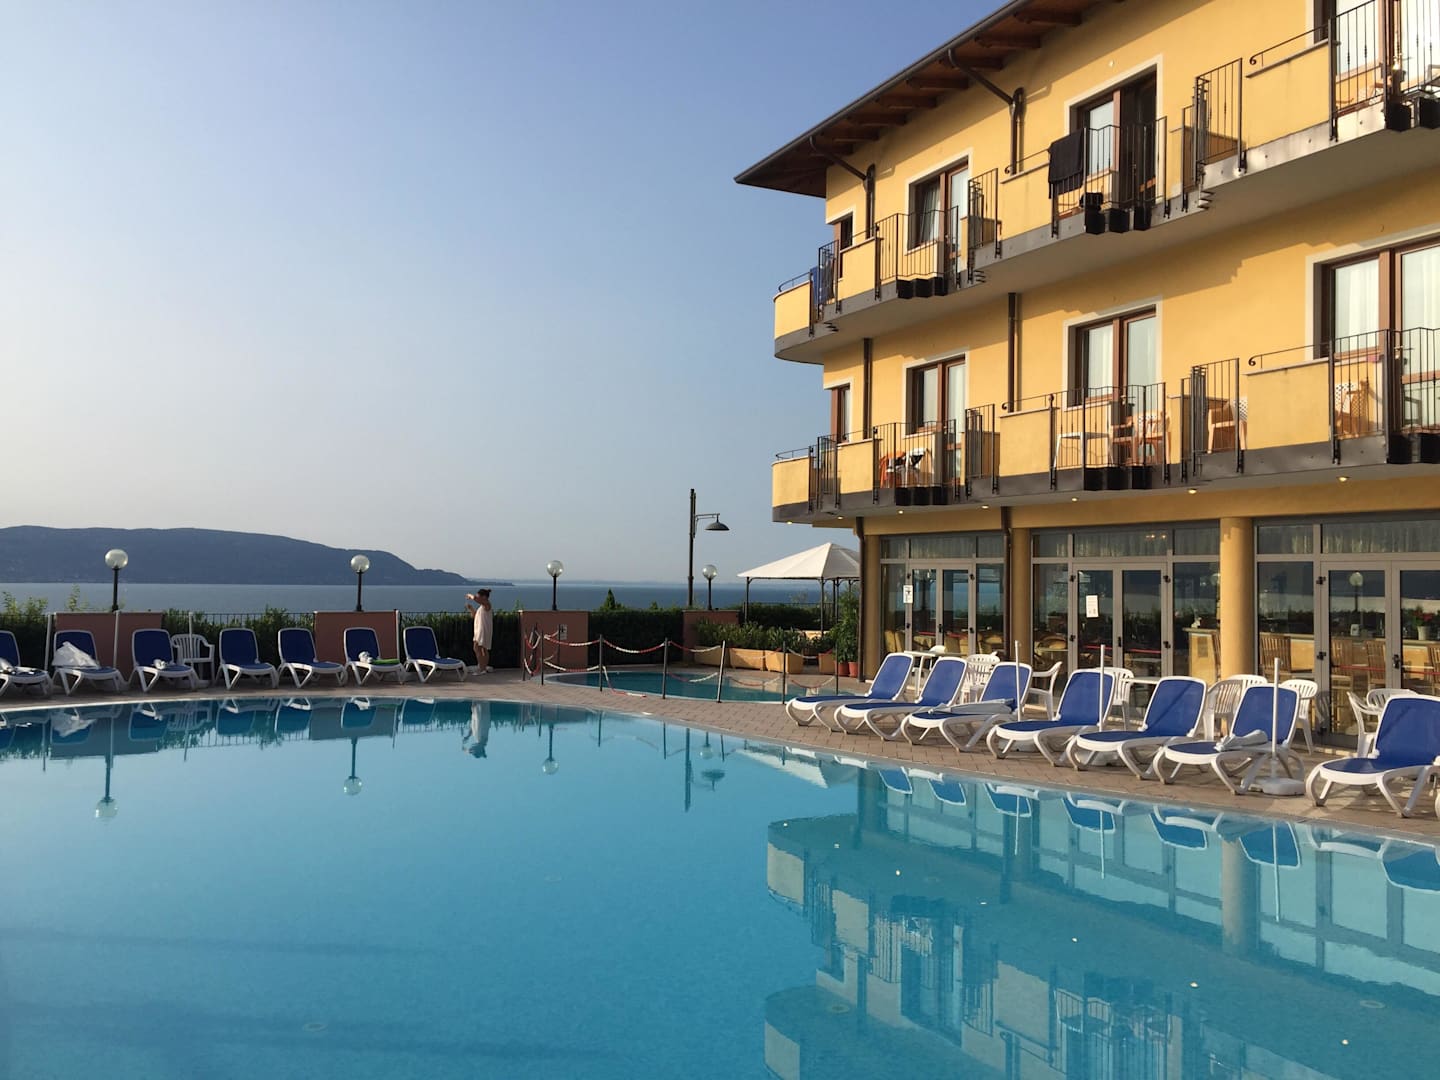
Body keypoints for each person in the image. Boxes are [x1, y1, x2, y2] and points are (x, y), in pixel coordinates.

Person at [468, 588, 494, 674]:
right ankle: (483, 667)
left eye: (478, 596)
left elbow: (476, 599)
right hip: (480, 630)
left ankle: (481, 668)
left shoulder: (487, 605)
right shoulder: (482, 607)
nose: (477, 597)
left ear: (484, 597)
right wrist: (471, 609)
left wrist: (470, 596)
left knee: (478, 647)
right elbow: (475, 616)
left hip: (483, 630)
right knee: (482, 649)